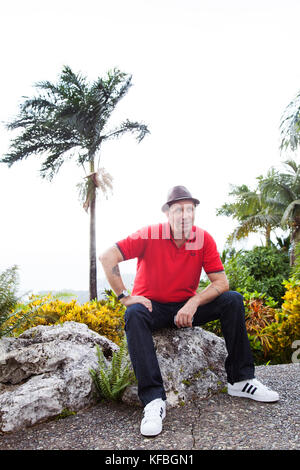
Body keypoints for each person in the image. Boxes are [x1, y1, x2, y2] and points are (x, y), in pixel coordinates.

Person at [99, 185, 279, 437]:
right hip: (153, 308)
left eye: (189, 209)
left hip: (185, 308)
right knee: (133, 314)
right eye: (178, 210)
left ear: (194, 212)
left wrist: (193, 302)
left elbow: (221, 283)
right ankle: (153, 401)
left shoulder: (202, 239)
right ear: (168, 213)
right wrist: (125, 297)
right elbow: (107, 257)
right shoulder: (149, 235)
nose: (184, 215)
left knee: (233, 300)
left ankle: (240, 380)